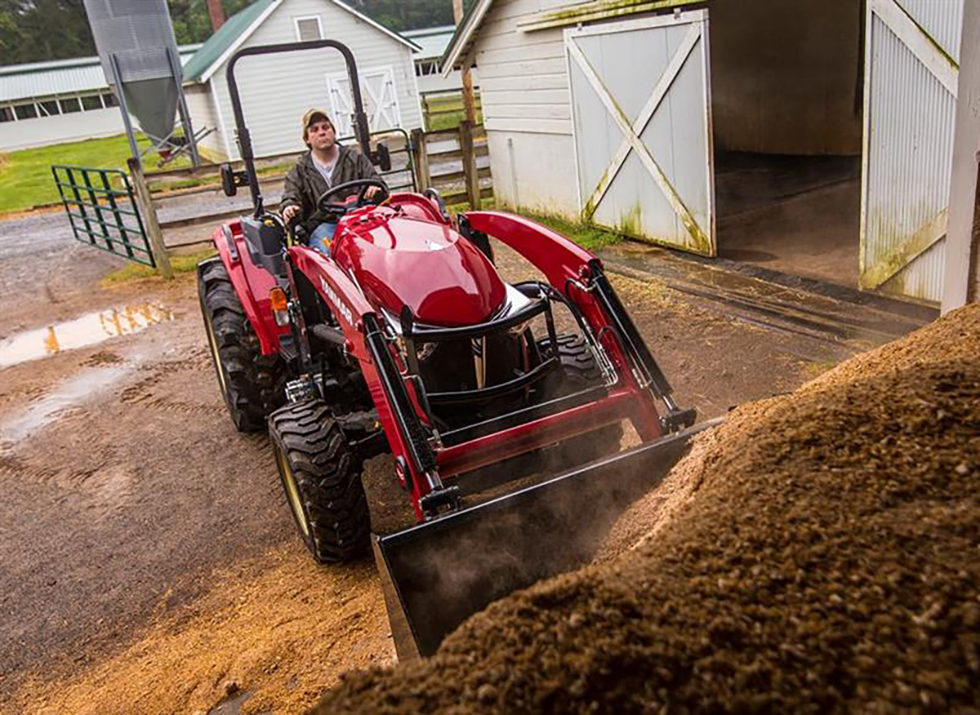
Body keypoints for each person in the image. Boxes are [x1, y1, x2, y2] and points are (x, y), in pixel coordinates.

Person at [280, 109, 385, 254]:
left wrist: (374, 187)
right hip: (326, 226)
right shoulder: (300, 170)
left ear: (333, 132)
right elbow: (291, 195)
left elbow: (376, 181)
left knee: (382, 244)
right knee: (325, 255)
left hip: (359, 220)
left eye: (325, 127)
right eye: (314, 130)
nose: (322, 132)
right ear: (307, 139)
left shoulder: (355, 159)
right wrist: (289, 207)